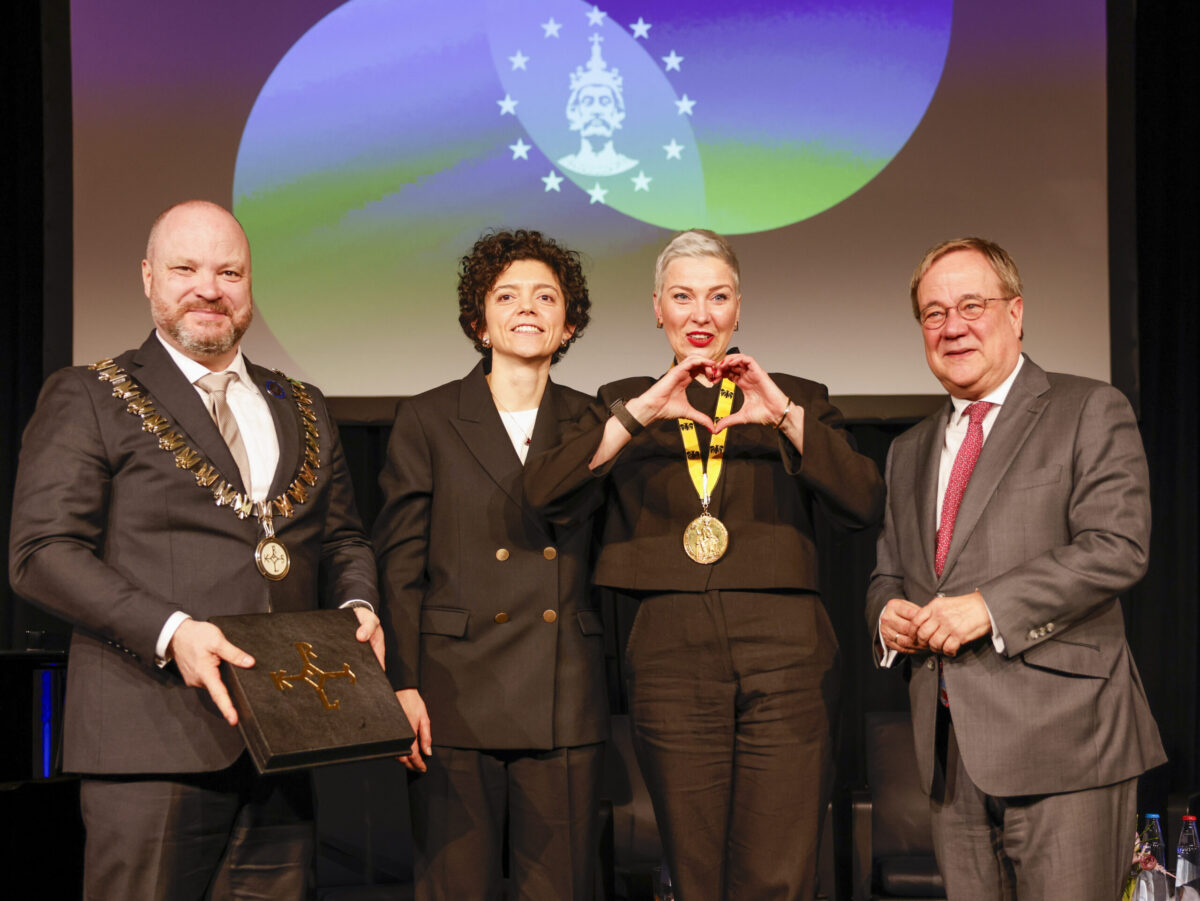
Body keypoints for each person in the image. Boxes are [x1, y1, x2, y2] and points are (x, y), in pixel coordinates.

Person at [8, 200, 381, 900]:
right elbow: (42, 551)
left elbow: (343, 538)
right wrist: (170, 630)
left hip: (285, 742)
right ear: (149, 278)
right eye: (186, 267)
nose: (209, 287)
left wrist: (358, 603)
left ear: (249, 285)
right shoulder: (89, 394)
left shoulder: (301, 402)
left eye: (229, 271)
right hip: (150, 741)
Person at [525, 228, 884, 900]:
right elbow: (545, 492)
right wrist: (637, 416)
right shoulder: (623, 399)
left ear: (739, 308)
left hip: (787, 644)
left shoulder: (793, 393)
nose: (701, 314)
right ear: (657, 309)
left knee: (780, 869)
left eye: (717, 297)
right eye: (683, 297)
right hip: (669, 643)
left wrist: (781, 416)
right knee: (695, 871)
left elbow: (864, 499)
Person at [866, 237, 1165, 900]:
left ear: (1016, 312)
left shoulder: (1088, 408)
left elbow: (1118, 544)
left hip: (1069, 745)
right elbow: (888, 573)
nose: (953, 326)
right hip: (950, 760)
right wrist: (887, 615)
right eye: (934, 312)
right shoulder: (908, 451)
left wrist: (988, 605)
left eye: (972, 304)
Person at [374, 229, 607, 900]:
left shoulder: (595, 422)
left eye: (545, 296)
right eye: (507, 296)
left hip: (564, 687)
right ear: (480, 320)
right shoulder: (427, 418)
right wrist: (405, 683)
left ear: (569, 323)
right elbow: (400, 567)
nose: (526, 308)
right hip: (452, 694)